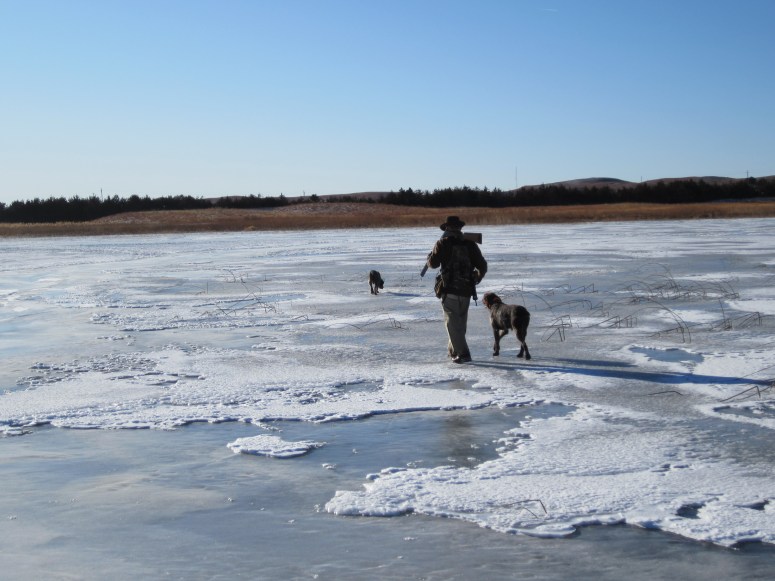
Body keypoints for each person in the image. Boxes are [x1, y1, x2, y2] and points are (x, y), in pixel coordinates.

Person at [425, 216, 487, 364]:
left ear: (447, 228)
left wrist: (430, 256)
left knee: (452, 324)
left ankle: (463, 354)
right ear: (460, 228)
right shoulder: (470, 244)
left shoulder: (442, 243)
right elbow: (482, 266)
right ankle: (453, 351)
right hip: (466, 291)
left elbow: (432, 264)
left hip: (449, 289)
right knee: (458, 324)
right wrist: (476, 278)